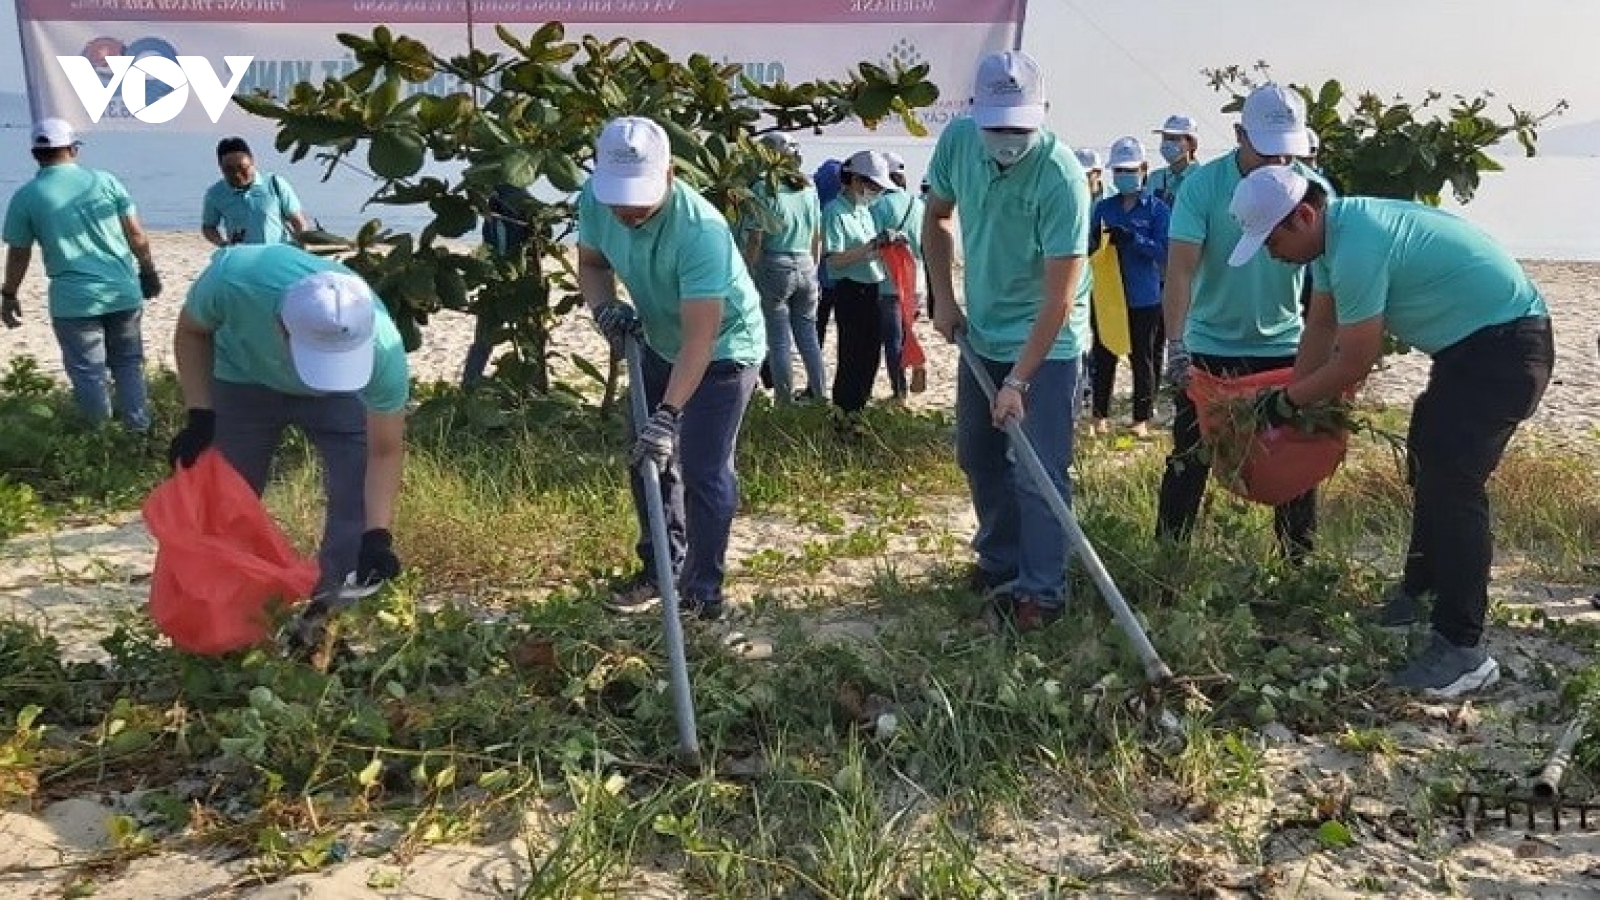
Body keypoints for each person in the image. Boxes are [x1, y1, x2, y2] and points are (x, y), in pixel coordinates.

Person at [1227, 165, 1553, 697]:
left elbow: (1355, 359)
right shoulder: (1335, 237)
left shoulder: (1357, 246)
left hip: (1508, 348)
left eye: (1272, 241)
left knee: (1454, 486)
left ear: (1304, 215)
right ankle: (1416, 597)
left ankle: (1463, 647)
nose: (1271, 254)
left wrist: (1283, 405)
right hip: (1468, 351)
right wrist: (1298, 396)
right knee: (1427, 458)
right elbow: (1321, 328)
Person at [924, 49, 1092, 631]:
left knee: (1036, 470)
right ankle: (1000, 563)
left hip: (1048, 340)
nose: (1006, 138)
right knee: (978, 452)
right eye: (996, 126)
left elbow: (1060, 297)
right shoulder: (956, 146)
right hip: (985, 330)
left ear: (1041, 114)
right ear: (976, 113)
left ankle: (1042, 593)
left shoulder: (1062, 177)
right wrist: (943, 297)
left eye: (1019, 128)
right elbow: (937, 217)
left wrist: (1020, 380)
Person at [168, 243, 408, 650]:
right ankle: (225, 624)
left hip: (341, 398)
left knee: (355, 501)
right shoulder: (234, 278)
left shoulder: (383, 349)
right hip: (243, 380)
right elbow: (192, 331)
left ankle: (327, 622)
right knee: (226, 500)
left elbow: (383, 451)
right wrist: (200, 414)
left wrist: (377, 535)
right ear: (280, 326)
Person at [578, 116, 765, 621]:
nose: (627, 211)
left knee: (703, 467)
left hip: (724, 350)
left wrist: (668, 415)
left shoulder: (700, 230)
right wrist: (602, 309)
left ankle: (703, 593)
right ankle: (661, 568)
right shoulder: (597, 202)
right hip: (658, 339)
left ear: (668, 176)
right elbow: (593, 265)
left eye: (638, 197)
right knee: (647, 461)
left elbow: (700, 340)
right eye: (618, 197)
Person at [1156, 83, 1322, 564]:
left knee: (1294, 459)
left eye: (1287, 153)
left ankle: (1299, 567)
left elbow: (1327, 279)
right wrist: (1176, 345)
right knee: (1190, 459)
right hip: (1211, 347)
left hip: (1285, 345)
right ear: (1239, 135)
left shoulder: (1312, 187)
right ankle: (1169, 558)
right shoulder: (1203, 186)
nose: (1277, 163)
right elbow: (1181, 269)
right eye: (1267, 151)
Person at [1, 118, 161, 430]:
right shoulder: (105, 182)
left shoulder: (26, 196)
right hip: (121, 290)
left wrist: (9, 293)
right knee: (128, 365)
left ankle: (99, 439)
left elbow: (19, 253)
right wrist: (148, 271)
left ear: (35, 154)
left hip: (74, 300)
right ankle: (138, 431)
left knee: (89, 371)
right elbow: (136, 235)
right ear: (73, 149)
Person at [1088, 137, 1170, 438]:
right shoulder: (1103, 208)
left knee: (1142, 357)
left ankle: (1141, 418)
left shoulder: (1157, 210)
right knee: (1103, 355)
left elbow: (1165, 252)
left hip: (1143, 296)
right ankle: (1099, 416)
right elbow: (1089, 247)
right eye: (1118, 170)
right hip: (1108, 295)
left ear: (1144, 169)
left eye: (1129, 169)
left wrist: (1135, 240)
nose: (1123, 175)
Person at [743, 132, 827, 403]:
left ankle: (783, 400)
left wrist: (746, 271)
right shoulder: (808, 188)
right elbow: (816, 235)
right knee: (808, 337)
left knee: (779, 341)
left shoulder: (762, 188)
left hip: (775, 262)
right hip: (805, 263)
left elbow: (756, 238)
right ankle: (820, 395)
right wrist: (813, 269)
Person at [822, 149, 901, 416]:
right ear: (856, 180)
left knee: (871, 357)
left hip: (873, 290)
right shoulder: (835, 212)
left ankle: (859, 412)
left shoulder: (865, 211)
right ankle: (844, 414)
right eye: (874, 186)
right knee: (852, 357)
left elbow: (871, 251)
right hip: (850, 291)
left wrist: (888, 244)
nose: (876, 193)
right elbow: (834, 261)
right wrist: (871, 246)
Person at [462, 183, 534, 387]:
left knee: (529, 341)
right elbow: (490, 246)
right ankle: (468, 386)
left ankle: (533, 388)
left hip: (522, 285)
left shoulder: (516, 201)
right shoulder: (492, 212)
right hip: (496, 283)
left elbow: (537, 239)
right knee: (483, 341)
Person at [871, 150, 929, 397]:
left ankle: (899, 390)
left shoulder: (878, 204)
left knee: (892, 339)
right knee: (908, 331)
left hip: (888, 282)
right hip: (915, 280)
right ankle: (917, 363)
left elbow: (871, 244)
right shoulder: (918, 204)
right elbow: (923, 246)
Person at [201, 137, 308, 247]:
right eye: (229, 170)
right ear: (220, 167)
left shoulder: (275, 184)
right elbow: (208, 227)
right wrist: (223, 244)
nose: (237, 174)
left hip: (278, 254)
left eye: (242, 168)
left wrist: (301, 247)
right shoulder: (215, 194)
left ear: (252, 161)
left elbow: (298, 221)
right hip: (242, 258)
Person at [1148, 114, 1200, 207]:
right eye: (1165, 138)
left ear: (1191, 144)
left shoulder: (1202, 178)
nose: (1167, 143)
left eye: (1174, 138)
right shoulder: (1155, 178)